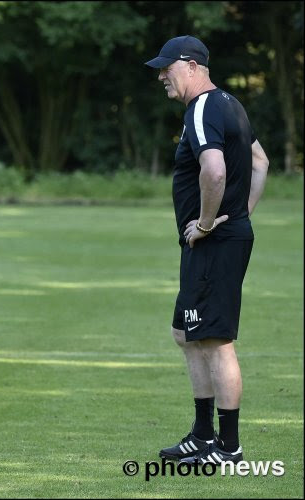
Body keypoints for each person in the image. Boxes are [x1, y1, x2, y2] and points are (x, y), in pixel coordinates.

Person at [144, 36, 269, 465]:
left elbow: (213, 171)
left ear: (191, 65)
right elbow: (261, 162)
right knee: (186, 332)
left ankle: (229, 449)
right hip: (219, 238)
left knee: (216, 340)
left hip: (212, 242)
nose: (161, 75)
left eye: (166, 68)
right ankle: (202, 435)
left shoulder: (200, 108)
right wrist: (240, 214)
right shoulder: (231, 104)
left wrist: (205, 223)